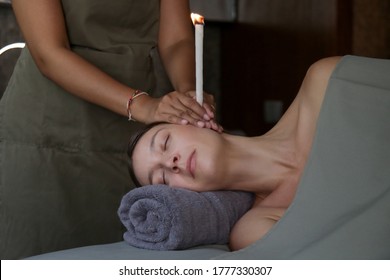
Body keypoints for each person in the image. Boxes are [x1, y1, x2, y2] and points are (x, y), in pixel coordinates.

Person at [0, 0, 220, 259]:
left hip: (131, 136)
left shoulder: (147, 156)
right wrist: (143, 106)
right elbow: (49, 54)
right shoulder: (144, 108)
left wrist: (187, 93)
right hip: (46, 128)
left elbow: (175, 40)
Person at [128, 56, 342, 251]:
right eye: (163, 179)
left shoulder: (325, 81)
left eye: (165, 142)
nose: (170, 163)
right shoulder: (254, 230)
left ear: (197, 115)